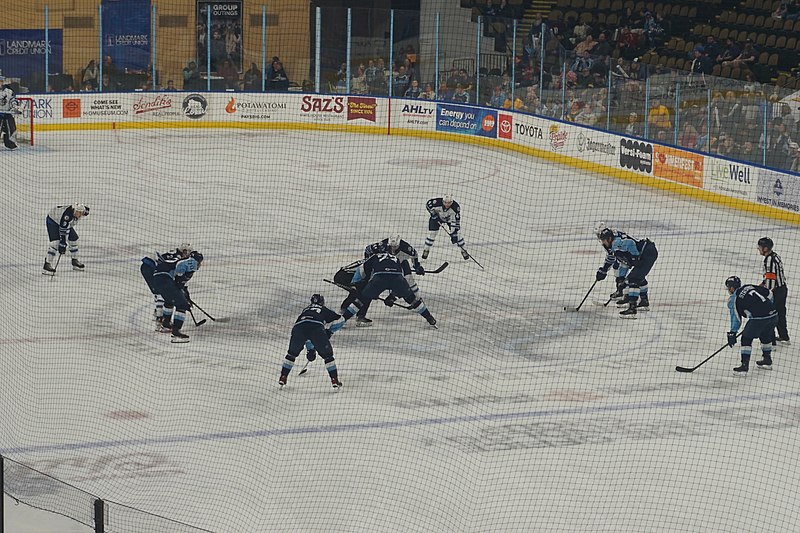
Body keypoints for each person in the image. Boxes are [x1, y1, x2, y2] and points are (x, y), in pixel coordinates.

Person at [340, 253, 436, 327]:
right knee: (412, 299)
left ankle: (343, 320)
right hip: (397, 278)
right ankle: (429, 318)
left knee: (361, 300)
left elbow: (361, 270)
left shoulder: (374, 257)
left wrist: (354, 285)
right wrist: (392, 297)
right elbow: (401, 281)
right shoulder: (397, 259)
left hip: (379, 278)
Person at [279, 294, 343, 390]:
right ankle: (334, 379)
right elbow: (341, 320)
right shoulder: (324, 309)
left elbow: (306, 331)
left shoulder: (306, 310)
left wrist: (310, 350)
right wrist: (329, 331)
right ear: (322, 302)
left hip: (298, 328)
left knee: (291, 354)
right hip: (316, 328)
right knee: (328, 356)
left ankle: (283, 376)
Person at [597, 225, 658, 317]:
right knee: (638, 276)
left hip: (648, 252)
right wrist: (605, 270)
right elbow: (615, 258)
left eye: (603, 240)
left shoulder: (616, 243)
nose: (603, 243)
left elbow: (630, 243)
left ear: (609, 239)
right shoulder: (614, 245)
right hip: (646, 252)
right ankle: (643, 302)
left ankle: (632, 309)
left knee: (634, 279)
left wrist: (635, 257)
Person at [725, 276, 777, 373]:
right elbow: (769, 293)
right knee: (765, 335)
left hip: (759, 319)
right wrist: (769, 307)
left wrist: (732, 332)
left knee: (746, 338)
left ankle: (744, 365)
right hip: (774, 315)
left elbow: (736, 318)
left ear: (731, 288)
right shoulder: (748, 286)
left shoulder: (734, 299)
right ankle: (767, 360)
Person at [150, 250, 202, 343]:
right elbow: (179, 280)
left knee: (169, 301)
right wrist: (184, 296)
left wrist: (183, 292)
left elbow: (179, 282)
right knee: (182, 305)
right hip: (165, 278)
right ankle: (176, 333)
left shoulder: (183, 261)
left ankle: (165, 325)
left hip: (157, 278)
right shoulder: (192, 263)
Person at [365, 235, 426, 312]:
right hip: (386, 265)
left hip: (401, 262)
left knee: (409, 280)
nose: (393, 248)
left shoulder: (406, 247)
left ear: (399, 245)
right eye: (391, 246)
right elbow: (368, 250)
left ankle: (417, 299)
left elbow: (414, 254)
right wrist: (369, 264)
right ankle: (393, 296)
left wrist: (417, 266)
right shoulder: (381, 245)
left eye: (395, 246)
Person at [141, 244, 193, 326]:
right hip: (150, 268)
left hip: (148, 267)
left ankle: (158, 313)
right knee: (161, 292)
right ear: (184, 251)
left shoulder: (175, 254)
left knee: (161, 291)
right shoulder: (177, 258)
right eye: (187, 253)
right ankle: (159, 318)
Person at [758, 237, 790, 344]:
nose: (759, 249)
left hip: (776, 291)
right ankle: (784, 336)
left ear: (765, 248)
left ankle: (771, 341)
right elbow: (772, 276)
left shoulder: (769, 260)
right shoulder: (775, 255)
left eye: (760, 247)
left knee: (770, 314)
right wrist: (763, 283)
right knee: (780, 313)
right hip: (782, 288)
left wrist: (766, 293)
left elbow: (771, 280)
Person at [43, 204, 90, 274]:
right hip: (53, 222)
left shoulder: (76, 213)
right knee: (56, 243)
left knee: (73, 240)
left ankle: (75, 261)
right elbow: (63, 231)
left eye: (80, 212)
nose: (78, 214)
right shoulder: (67, 216)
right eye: (77, 212)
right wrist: (63, 243)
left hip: (63, 223)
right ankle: (47, 265)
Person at [422, 195, 468, 260]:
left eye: (449, 203)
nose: (447, 204)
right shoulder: (436, 203)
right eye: (445, 202)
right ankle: (426, 250)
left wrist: (453, 233)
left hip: (450, 220)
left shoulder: (455, 208)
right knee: (432, 234)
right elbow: (428, 205)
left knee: (458, 234)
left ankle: (464, 251)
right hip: (437, 218)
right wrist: (433, 214)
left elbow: (455, 222)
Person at [594, 222, 628, 302]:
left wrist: (605, 268)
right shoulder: (607, 239)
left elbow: (615, 254)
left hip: (630, 256)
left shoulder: (615, 239)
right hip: (624, 257)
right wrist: (604, 269)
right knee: (617, 268)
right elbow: (611, 255)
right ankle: (620, 292)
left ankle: (629, 296)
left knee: (627, 273)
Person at [0, 76, 19, 150]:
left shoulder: (8, 91)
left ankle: (11, 144)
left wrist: (15, 106)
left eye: (0, 81)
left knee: (11, 128)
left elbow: (13, 100)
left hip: (7, 113)